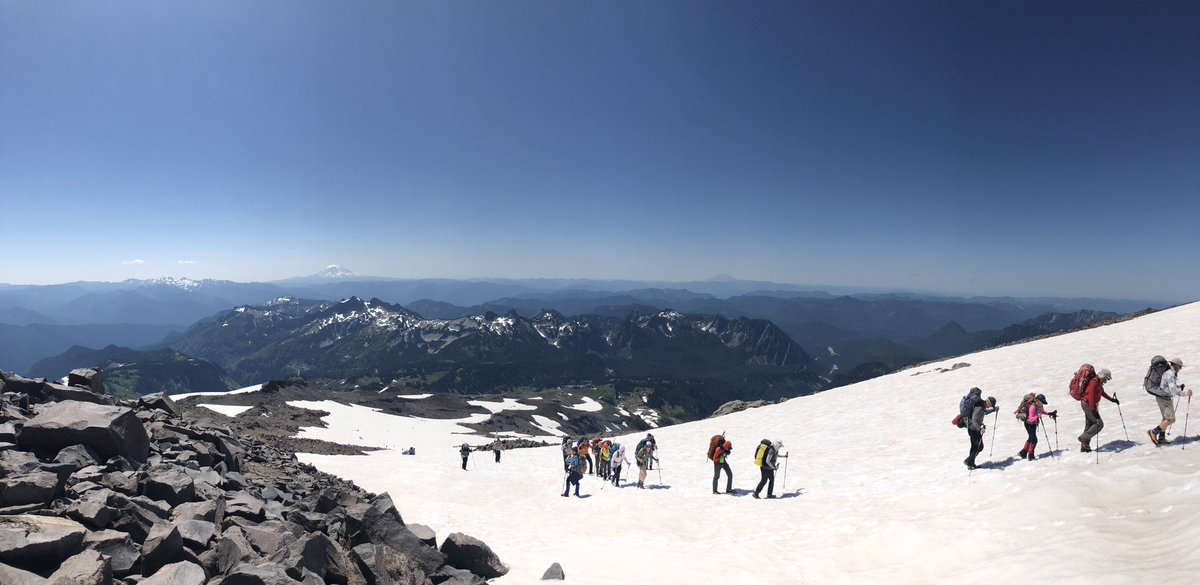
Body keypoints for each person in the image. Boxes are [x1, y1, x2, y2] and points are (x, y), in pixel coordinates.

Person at [1149, 358, 1191, 445]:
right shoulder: (1171, 374)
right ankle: (1153, 432)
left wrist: (1178, 387)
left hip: (1161, 397)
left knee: (1165, 419)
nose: (1180, 369)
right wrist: (1185, 394)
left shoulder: (1168, 372)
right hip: (1165, 399)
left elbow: (1169, 386)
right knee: (1171, 419)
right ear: (1176, 366)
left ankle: (1161, 438)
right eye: (1180, 367)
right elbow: (1172, 391)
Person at [1079, 368, 1118, 452]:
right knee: (1099, 424)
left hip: (1090, 405)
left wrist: (1112, 400)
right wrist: (1093, 410)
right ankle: (1083, 438)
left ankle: (1084, 447)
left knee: (1089, 425)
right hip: (1087, 405)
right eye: (1107, 378)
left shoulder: (1098, 383)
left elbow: (1102, 393)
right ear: (1103, 376)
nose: (1107, 381)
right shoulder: (1094, 382)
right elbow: (1091, 397)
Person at [1017, 394, 1057, 461]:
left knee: (1031, 438)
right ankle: (1031, 456)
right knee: (1034, 440)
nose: (1042, 404)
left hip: (1033, 424)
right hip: (1028, 424)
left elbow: (1041, 412)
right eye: (1042, 402)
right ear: (1038, 400)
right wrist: (1037, 416)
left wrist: (1050, 413)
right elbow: (1030, 418)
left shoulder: (1038, 405)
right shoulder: (1033, 406)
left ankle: (1023, 453)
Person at [965, 395, 998, 469]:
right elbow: (973, 420)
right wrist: (980, 429)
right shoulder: (979, 408)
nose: (990, 407)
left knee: (974, 447)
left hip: (973, 429)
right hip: (973, 430)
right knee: (979, 447)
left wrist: (994, 410)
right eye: (991, 405)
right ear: (988, 402)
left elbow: (985, 412)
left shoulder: (982, 406)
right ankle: (968, 461)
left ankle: (970, 463)